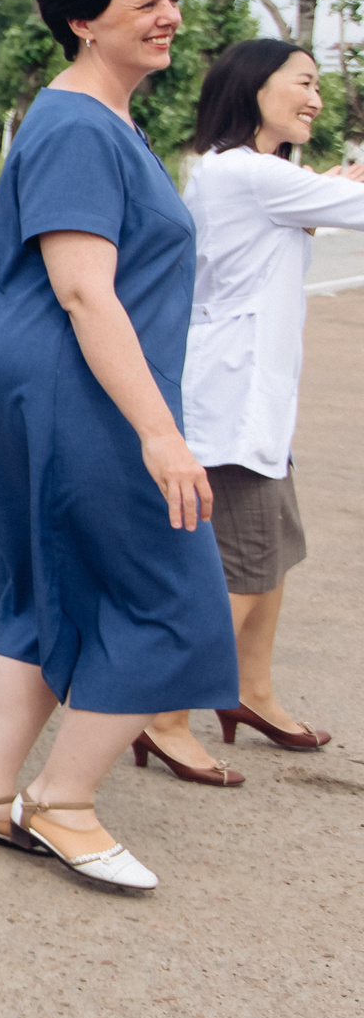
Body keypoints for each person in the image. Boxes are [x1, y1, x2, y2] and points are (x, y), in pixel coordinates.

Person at [0, 0, 238, 893]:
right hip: (77, 391)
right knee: (174, 597)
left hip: (50, 386)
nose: (169, 16)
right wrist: (160, 433)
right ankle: (62, 802)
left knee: (43, 596)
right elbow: (83, 289)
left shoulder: (94, 117)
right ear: (84, 21)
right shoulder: (78, 124)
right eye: (145, 2)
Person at [132, 40, 364, 785]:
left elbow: (321, 198)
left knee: (273, 556)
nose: (316, 100)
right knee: (241, 567)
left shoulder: (244, 173)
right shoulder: (250, 173)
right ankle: (165, 716)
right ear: (254, 88)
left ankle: (248, 690)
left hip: (254, 404)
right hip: (234, 408)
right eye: (304, 83)